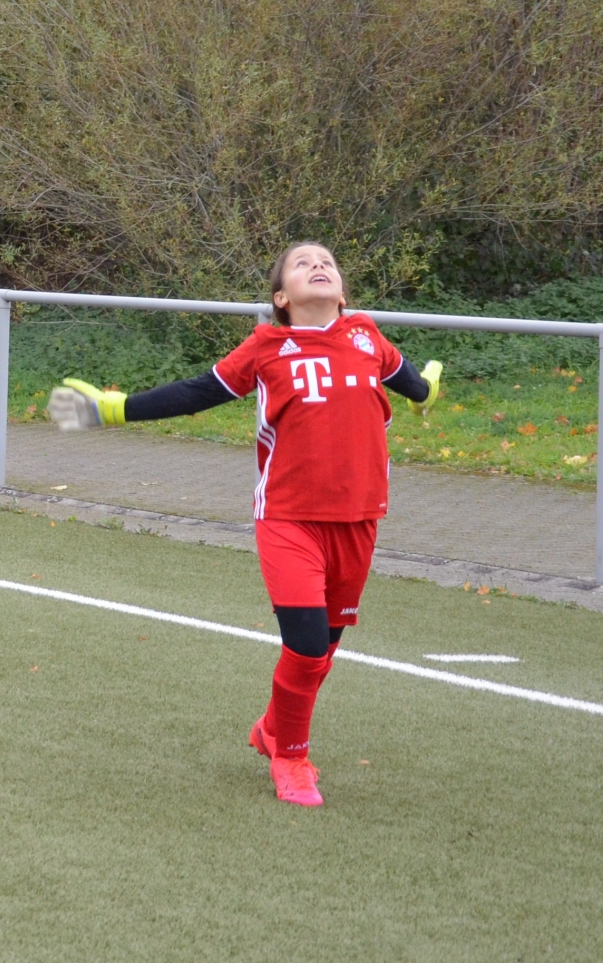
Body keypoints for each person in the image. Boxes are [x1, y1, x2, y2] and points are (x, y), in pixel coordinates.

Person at [49, 242, 443, 807]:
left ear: (342, 290)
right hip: (288, 519)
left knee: (325, 650)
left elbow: (414, 385)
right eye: (303, 263)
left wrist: (429, 387)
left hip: (359, 520)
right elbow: (195, 393)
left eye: (327, 261)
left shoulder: (365, 336)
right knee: (306, 648)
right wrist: (113, 408)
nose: (319, 265)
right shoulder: (267, 348)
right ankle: (291, 758)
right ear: (282, 297)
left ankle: (273, 728)